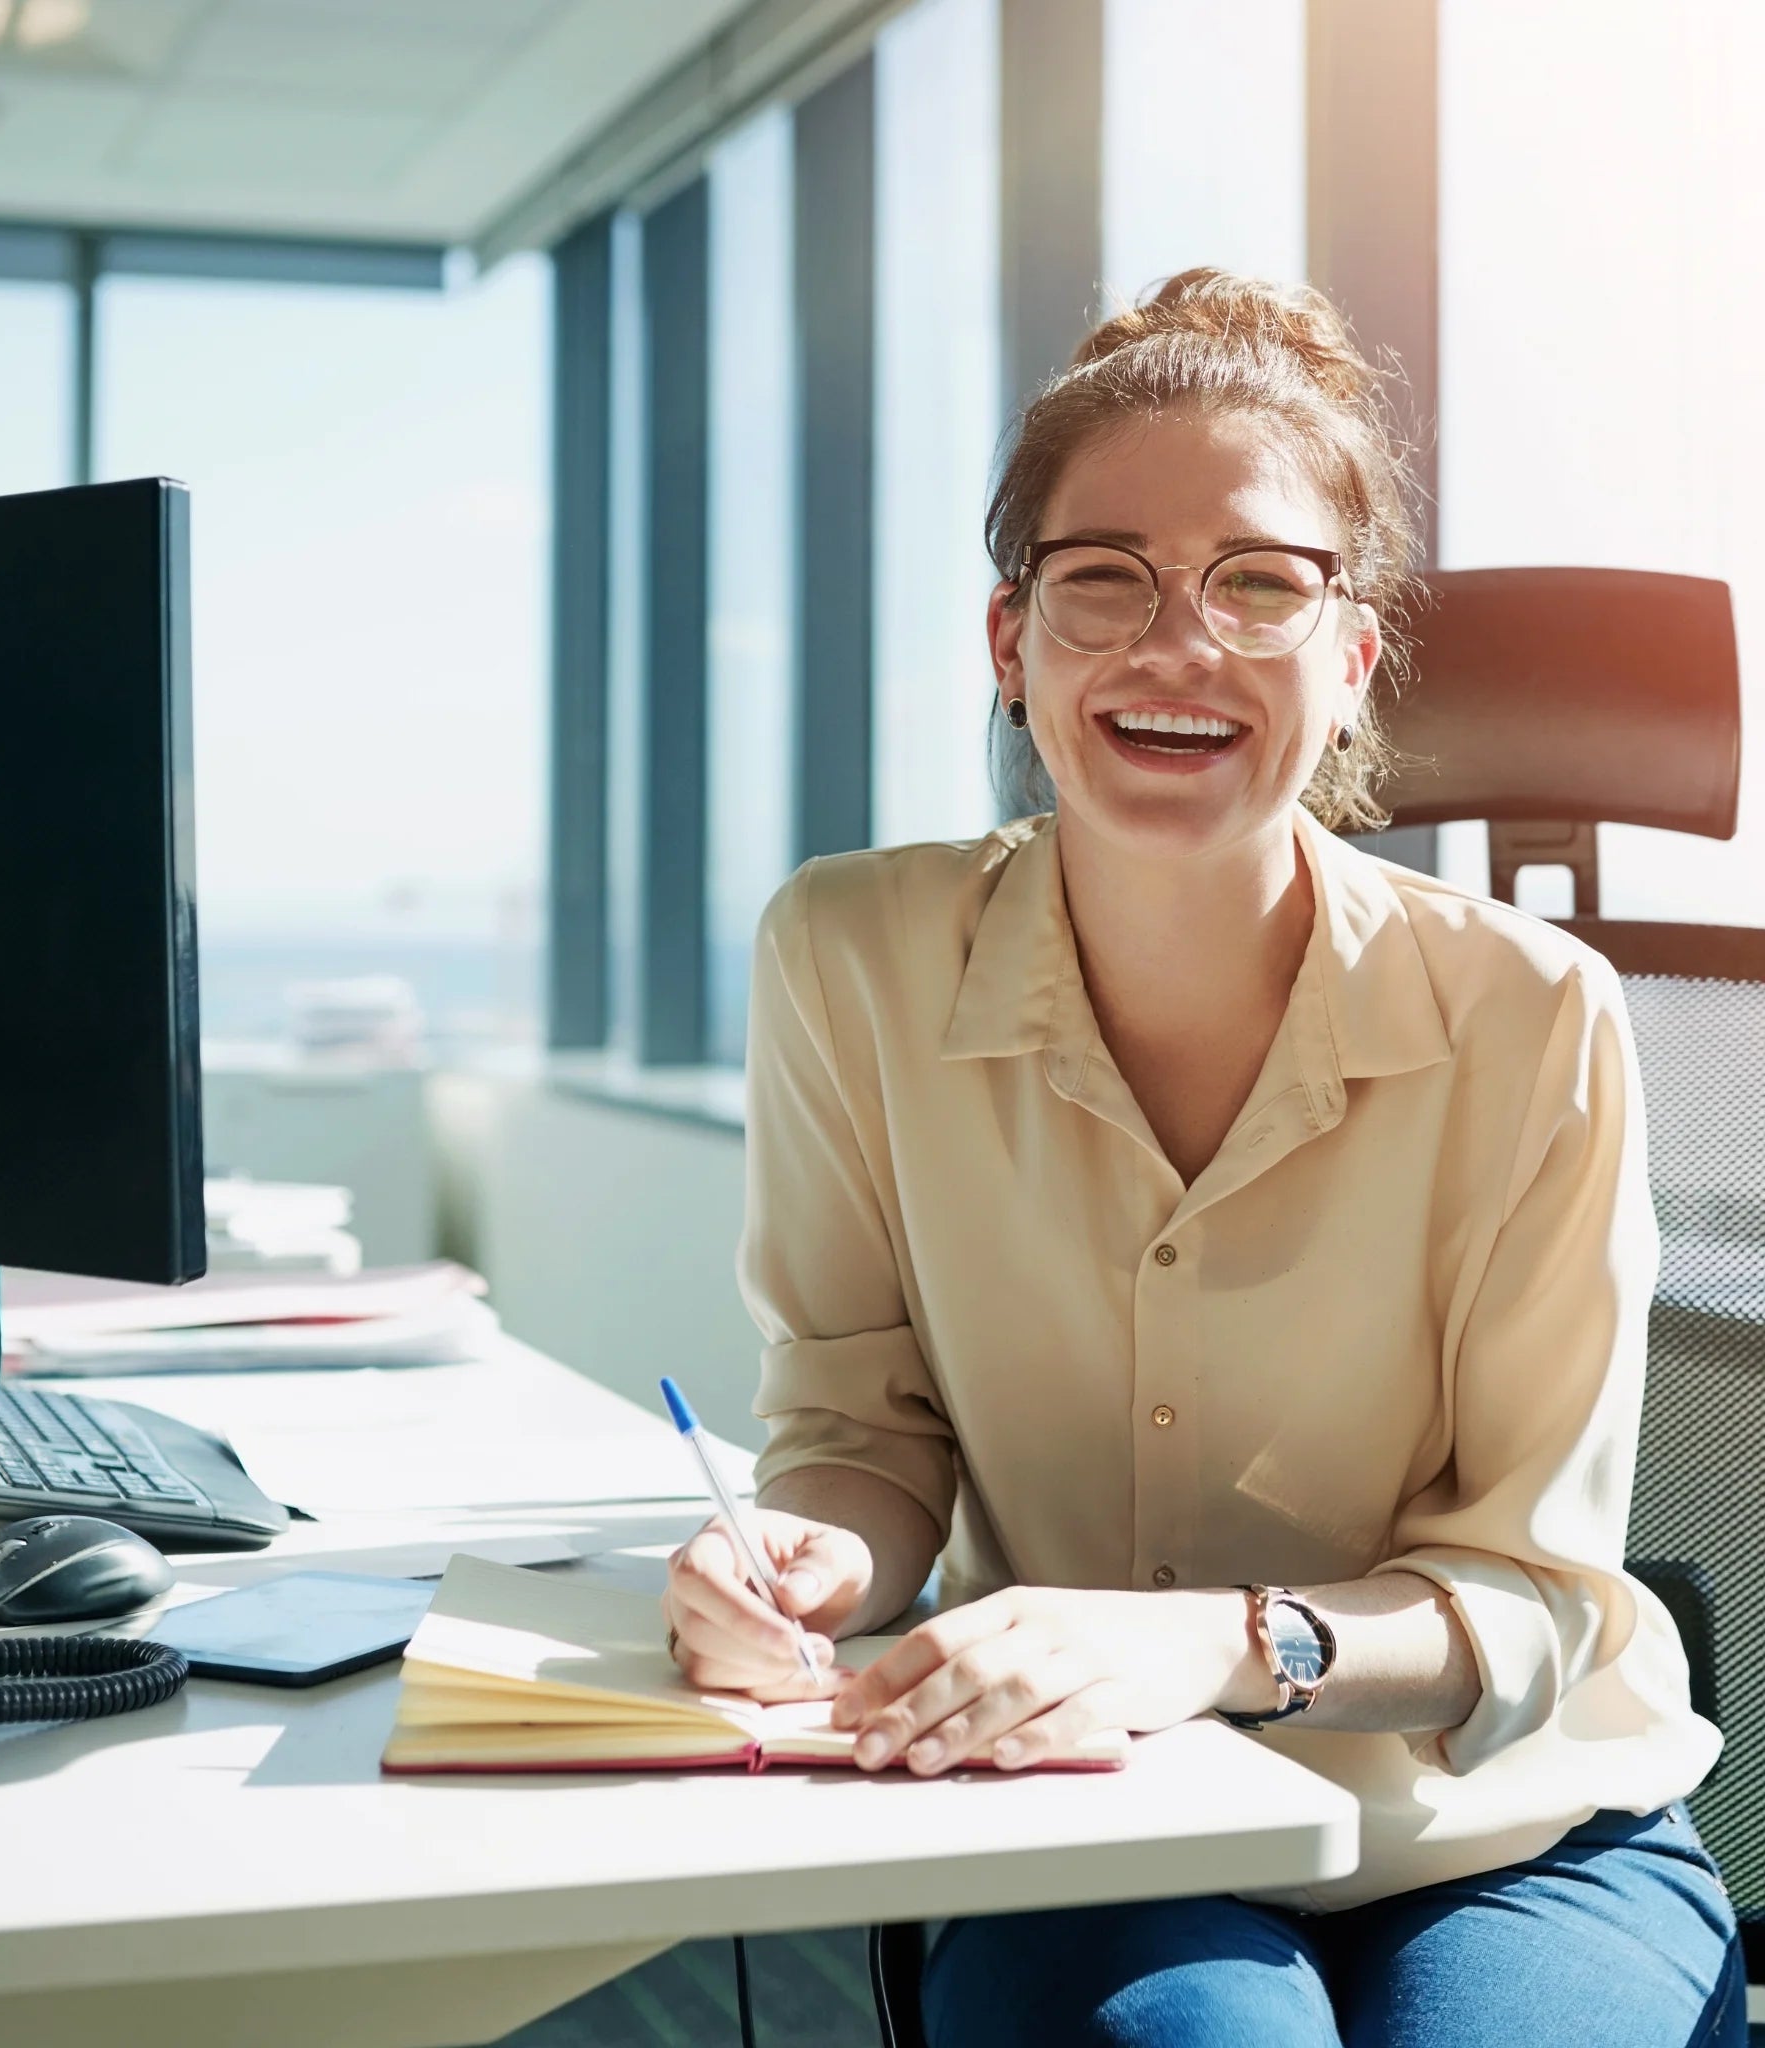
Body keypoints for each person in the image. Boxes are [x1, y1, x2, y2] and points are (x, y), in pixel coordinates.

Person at [661, 269, 1741, 2046]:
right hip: (1097, 1800)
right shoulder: (851, 958)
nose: (1180, 646)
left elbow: (1535, 1592)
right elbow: (863, 1428)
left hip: (1512, 1823)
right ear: (1009, 642)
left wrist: (1216, 1644)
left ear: (1352, 658)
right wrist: (808, 1561)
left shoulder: (1538, 1014)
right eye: (1105, 580)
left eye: (1261, 584)